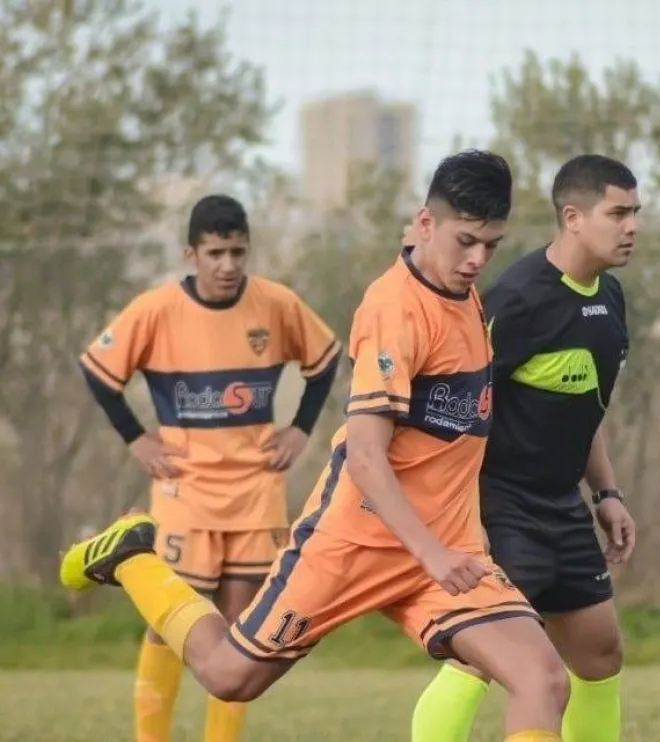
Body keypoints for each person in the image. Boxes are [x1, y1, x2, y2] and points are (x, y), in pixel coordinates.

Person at [62, 150, 571, 742]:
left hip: (446, 551)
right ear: (427, 223)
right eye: (466, 242)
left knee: (542, 680)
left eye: (491, 245)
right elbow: (366, 457)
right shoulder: (393, 310)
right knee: (229, 675)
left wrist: (444, 547)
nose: (478, 260)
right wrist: (430, 552)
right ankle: (132, 555)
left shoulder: (456, 282)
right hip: (356, 541)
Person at [77, 194, 341, 742]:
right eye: (216, 253)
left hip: (256, 490)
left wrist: (299, 429)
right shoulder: (156, 310)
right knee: (168, 625)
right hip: (185, 489)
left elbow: (325, 360)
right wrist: (137, 439)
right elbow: (98, 372)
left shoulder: (276, 304)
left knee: (240, 632)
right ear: (190, 255)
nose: (227, 264)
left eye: (237, 252)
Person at [409, 154, 640, 742]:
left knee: (599, 653)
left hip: (562, 506)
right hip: (502, 505)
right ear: (573, 217)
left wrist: (606, 493)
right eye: (617, 213)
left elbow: (583, 404)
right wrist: (463, 519)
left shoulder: (610, 299)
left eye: (635, 213)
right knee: (484, 659)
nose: (632, 226)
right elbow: (458, 414)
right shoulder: (516, 301)